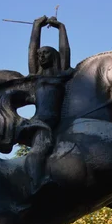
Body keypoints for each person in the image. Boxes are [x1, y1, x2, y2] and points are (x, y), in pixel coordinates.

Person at [20, 15, 74, 192]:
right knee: (40, 150)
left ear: (54, 56)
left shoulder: (61, 73)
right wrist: (36, 26)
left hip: (63, 122)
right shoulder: (37, 75)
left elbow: (65, 49)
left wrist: (61, 27)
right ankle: (36, 185)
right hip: (41, 122)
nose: (41, 56)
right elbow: (32, 48)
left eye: (45, 53)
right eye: (40, 54)